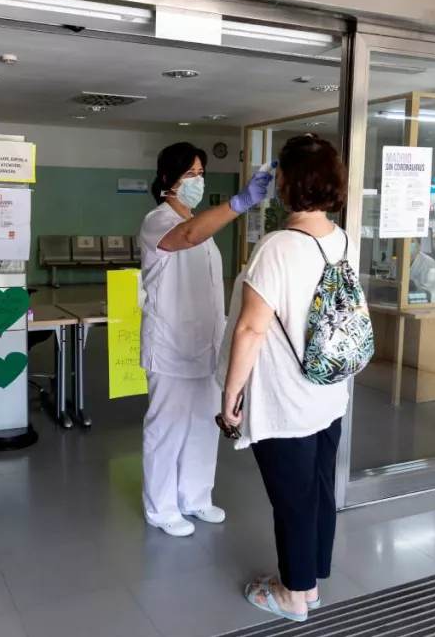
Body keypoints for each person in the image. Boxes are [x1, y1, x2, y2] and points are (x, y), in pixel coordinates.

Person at [217, 134, 349, 621]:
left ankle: (294, 597)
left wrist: (231, 396)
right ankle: (310, 582)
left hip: (285, 399)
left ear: (288, 184)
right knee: (318, 492)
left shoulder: (277, 247)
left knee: (292, 500)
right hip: (328, 392)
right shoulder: (340, 238)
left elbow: (251, 329)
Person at [138, 141, 272, 537]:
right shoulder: (157, 222)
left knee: (201, 426)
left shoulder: (204, 228)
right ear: (168, 180)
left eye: (201, 173)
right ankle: (160, 508)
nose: (197, 180)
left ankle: (195, 498)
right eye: (190, 174)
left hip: (206, 349)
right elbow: (189, 235)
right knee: (167, 428)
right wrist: (241, 201)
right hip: (171, 347)